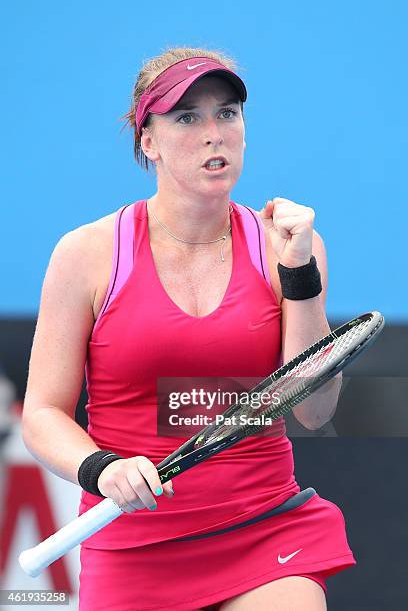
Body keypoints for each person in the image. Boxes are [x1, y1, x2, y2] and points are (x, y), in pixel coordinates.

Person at [22, 46, 356, 610]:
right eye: (187, 117)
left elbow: (314, 410)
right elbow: (42, 414)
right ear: (147, 141)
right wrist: (102, 469)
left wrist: (300, 275)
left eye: (227, 113)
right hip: (133, 545)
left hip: (265, 530)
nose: (214, 133)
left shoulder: (291, 248)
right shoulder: (85, 255)